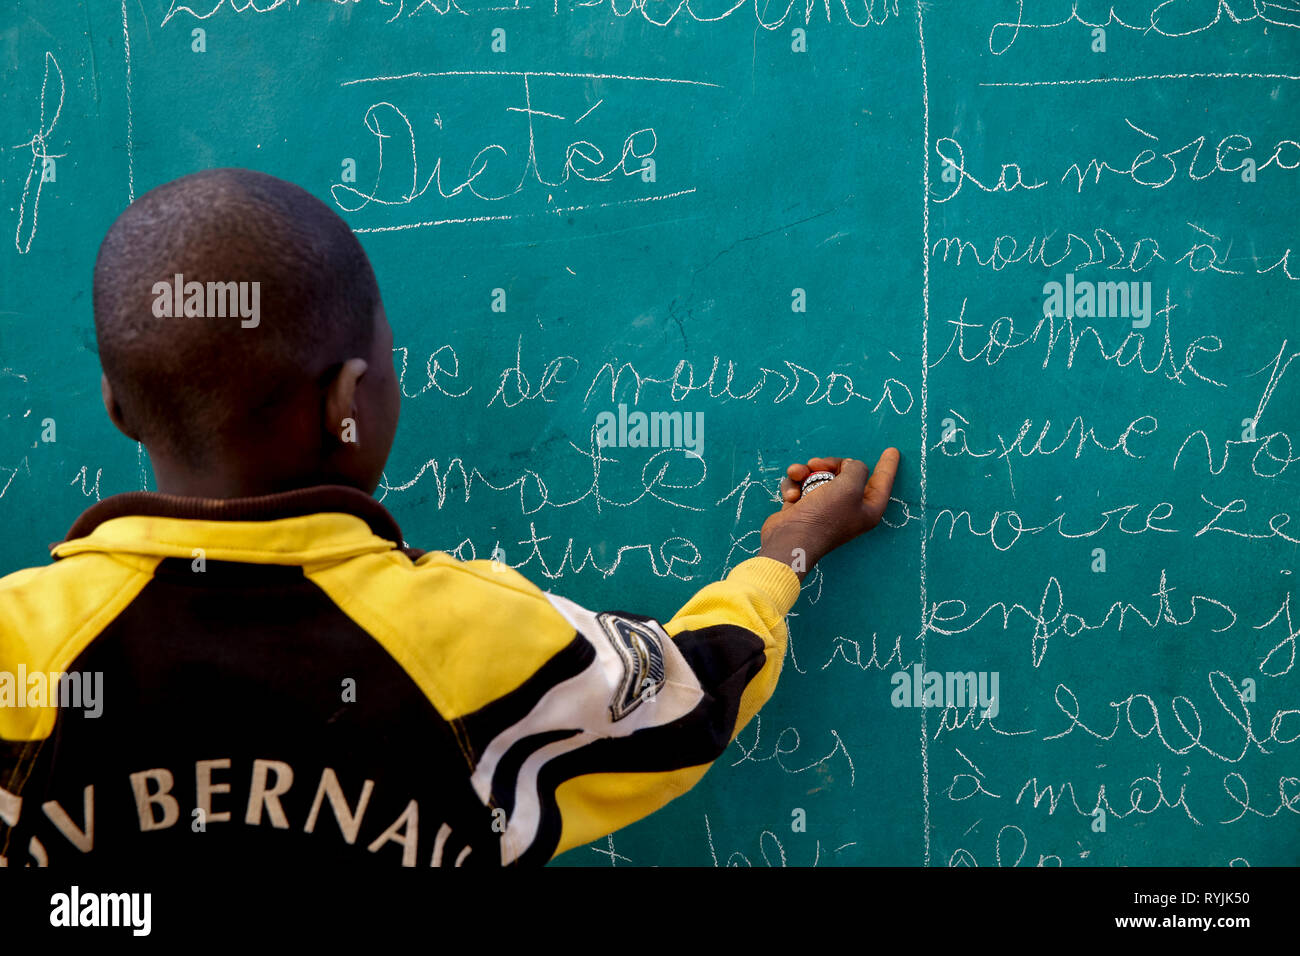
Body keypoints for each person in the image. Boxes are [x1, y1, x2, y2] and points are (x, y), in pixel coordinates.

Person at [0, 168, 900, 868]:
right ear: (348, 401)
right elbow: (693, 693)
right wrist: (786, 552)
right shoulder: (479, 639)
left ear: (118, 407)